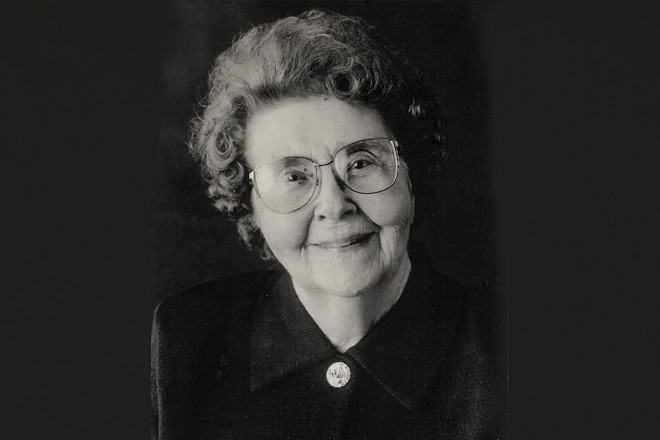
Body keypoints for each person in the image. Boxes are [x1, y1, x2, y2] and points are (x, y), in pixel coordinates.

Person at [152, 8, 501, 439]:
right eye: (294, 176)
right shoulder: (184, 337)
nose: (334, 206)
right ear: (250, 204)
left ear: (410, 174)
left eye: (361, 162)